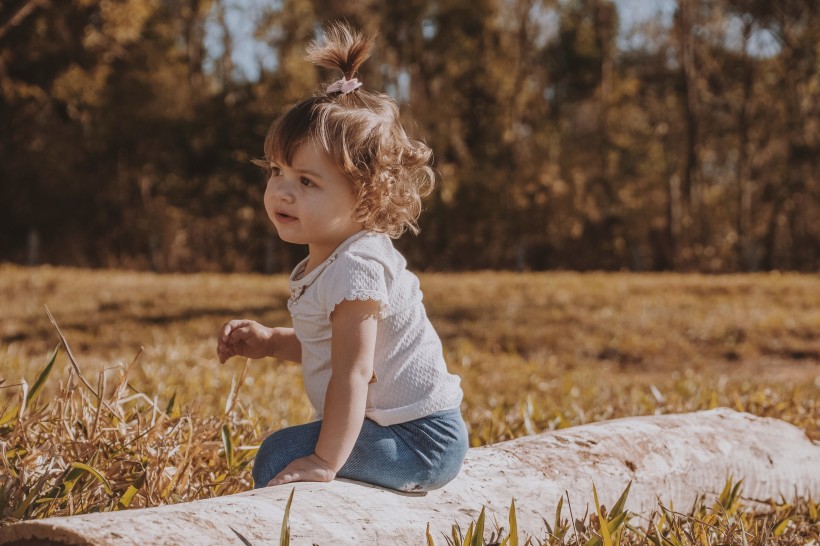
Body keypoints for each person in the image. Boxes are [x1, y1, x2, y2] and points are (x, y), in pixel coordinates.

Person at [215, 22, 467, 493]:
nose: (282, 191)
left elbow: (354, 371)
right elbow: (330, 346)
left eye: (306, 181)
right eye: (277, 171)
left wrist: (324, 461)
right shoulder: (330, 260)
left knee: (283, 454)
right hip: (393, 432)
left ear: (366, 196)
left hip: (420, 440)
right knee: (285, 451)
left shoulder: (357, 267)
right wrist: (271, 342)